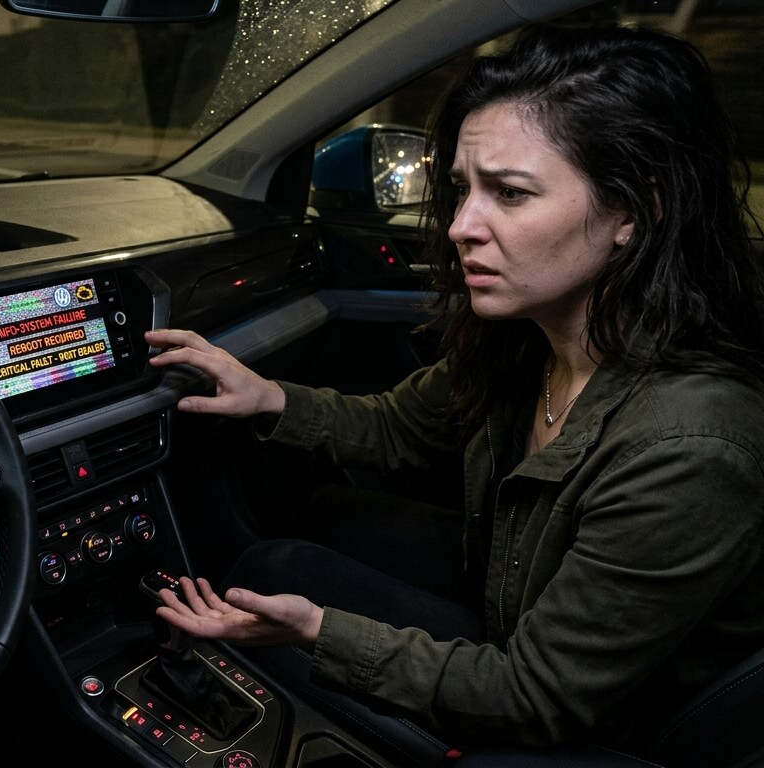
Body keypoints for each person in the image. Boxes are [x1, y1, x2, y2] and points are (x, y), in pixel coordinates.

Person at [146, 22, 764, 755]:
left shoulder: (692, 446)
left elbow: (535, 697)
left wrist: (317, 632)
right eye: (463, 189)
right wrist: (267, 396)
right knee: (292, 546)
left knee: (281, 603)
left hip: (610, 725)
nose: (462, 226)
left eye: (511, 193)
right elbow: (399, 427)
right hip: (516, 613)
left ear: (634, 212)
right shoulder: (531, 336)